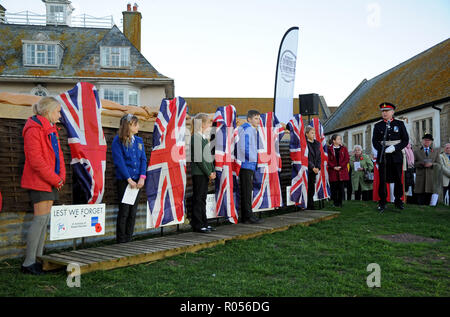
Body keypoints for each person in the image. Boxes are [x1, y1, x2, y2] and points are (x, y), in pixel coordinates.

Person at [21, 97, 66, 275]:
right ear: (48, 111)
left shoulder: (52, 129)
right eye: (58, 111)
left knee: (44, 221)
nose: (60, 115)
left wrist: (60, 176)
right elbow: (36, 161)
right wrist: (55, 179)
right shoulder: (33, 129)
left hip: (51, 181)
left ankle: (38, 260)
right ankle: (28, 263)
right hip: (40, 181)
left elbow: (59, 155)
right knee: (39, 220)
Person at [112, 114, 147, 243]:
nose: (138, 126)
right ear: (129, 126)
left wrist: (142, 178)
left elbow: (143, 159)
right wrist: (128, 179)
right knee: (124, 211)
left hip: (137, 182)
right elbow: (119, 161)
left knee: (133, 212)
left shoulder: (139, 141)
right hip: (125, 182)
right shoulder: (118, 140)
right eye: (135, 124)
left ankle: (129, 238)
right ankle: (121, 240)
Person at [372, 102, 409, 212]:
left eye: (387, 111)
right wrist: (382, 149)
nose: (384, 113)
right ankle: (382, 202)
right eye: (383, 111)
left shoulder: (400, 124)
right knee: (383, 179)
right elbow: (374, 141)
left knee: (398, 179)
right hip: (383, 155)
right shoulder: (377, 125)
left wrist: (395, 148)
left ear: (392, 112)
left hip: (396, 155)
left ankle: (398, 200)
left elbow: (405, 140)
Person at [190, 113, 216, 233]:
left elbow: (208, 157)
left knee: (202, 198)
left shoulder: (202, 137)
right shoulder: (195, 137)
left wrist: (212, 170)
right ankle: (198, 224)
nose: (210, 124)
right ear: (202, 124)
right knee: (198, 198)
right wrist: (208, 172)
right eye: (209, 122)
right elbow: (200, 159)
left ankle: (204, 222)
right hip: (199, 173)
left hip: (205, 173)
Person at [237, 110, 263, 223]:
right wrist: (253, 159)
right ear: (249, 119)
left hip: (249, 164)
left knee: (247, 191)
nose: (258, 121)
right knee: (246, 191)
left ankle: (247, 216)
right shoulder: (247, 129)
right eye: (256, 118)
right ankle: (247, 216)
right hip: (246, 164)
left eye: (259, 118)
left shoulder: (251, 129)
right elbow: (243, 147)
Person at [413, 134, 441, 205]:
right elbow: (413, 163)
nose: (427, 142)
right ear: (422, 141)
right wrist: (422, 163)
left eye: (429, 140)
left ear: (431, 142)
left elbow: (439, 164)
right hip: (420, 177)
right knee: (420, 197)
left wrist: (432, 164)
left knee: (430, 195)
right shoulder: (416, 151)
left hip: (431, 177)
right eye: (425, 140)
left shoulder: (435, 152)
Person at [327, 134, 349, 207]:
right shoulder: (329, 149)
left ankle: (340, 203)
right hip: (333, 171)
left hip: (341, 171)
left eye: (340, 139)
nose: (340, 140)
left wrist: (341, 166)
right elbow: (327, 160)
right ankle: (335, 202)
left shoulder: (344, 148)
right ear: (334, 141)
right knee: (334, 188)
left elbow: (346, 159)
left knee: (340, 188)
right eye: (338, 139)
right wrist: (333, 167)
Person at [305, 126, 321, 210]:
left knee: (312, 188)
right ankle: (308, 205)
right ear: (306, 134)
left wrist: (318, 167)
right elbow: (305, 157)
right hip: (308, 169)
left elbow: (319, 157)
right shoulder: (305, 144)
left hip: (315, 169)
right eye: (312, 133)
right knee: (307, 187)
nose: (314, 134)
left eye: (314, 133)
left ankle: (311, 205)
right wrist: (312, 167)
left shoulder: (317, 143)